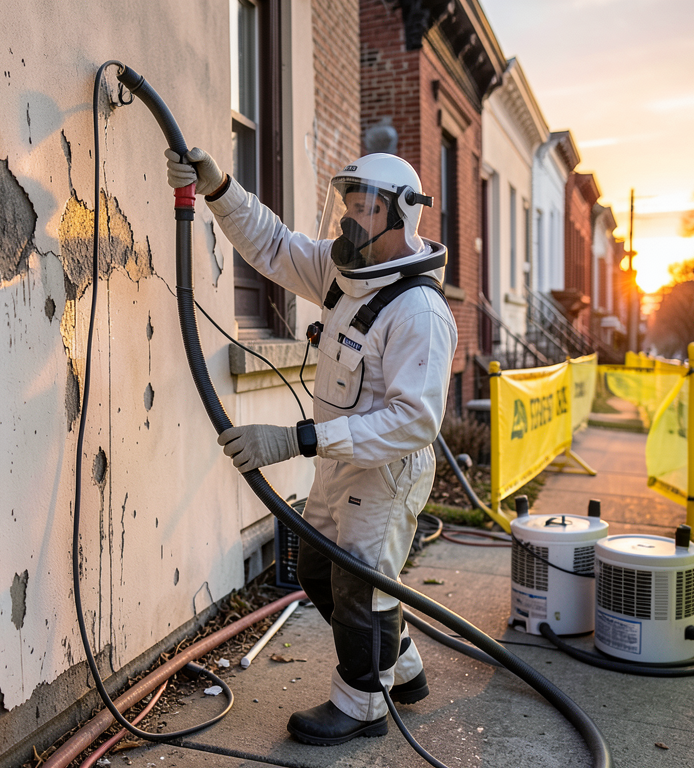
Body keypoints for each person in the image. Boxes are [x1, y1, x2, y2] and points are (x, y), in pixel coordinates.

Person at [165, 148, 457, 746]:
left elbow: (414, 421)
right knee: (319, 572)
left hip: (386, 474)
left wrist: (297, 439)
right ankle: (400, 665)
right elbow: (273, 245)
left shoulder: (419, 311)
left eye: (364, 208)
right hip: (340, 463)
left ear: (401, 216)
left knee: (359, 588)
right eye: (347, 205)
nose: (349, 219)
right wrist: (219, 188)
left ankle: (362, 706)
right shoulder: (342, 274)